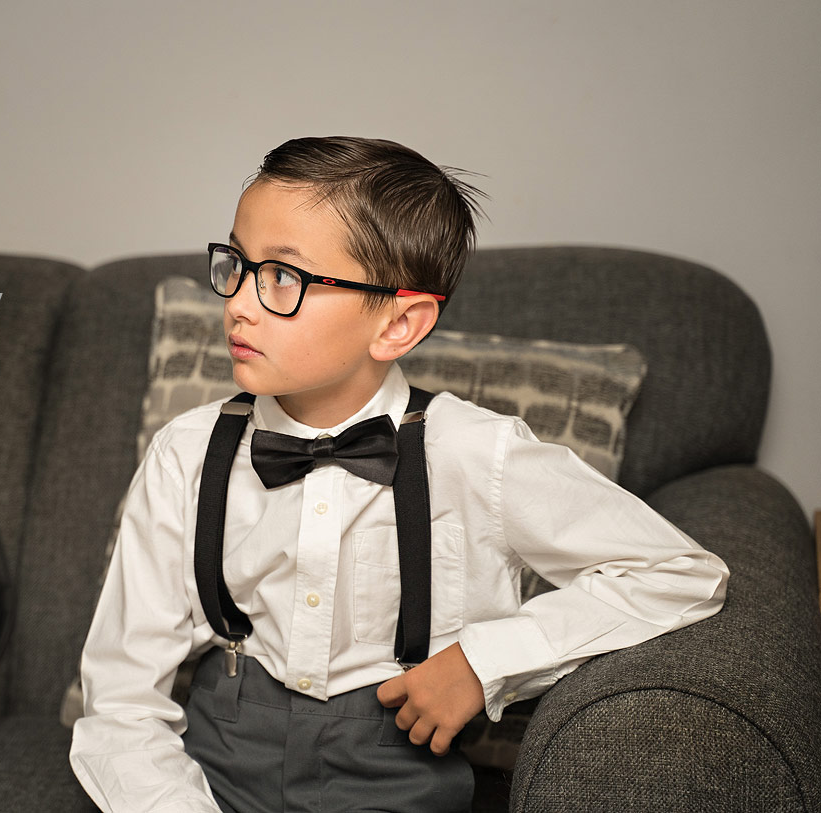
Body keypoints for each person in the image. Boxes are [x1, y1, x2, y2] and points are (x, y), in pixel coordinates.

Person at [69, 136, 729, 813]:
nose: (238, 301)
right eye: (235, 262)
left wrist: (485, 660)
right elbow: (120, 701)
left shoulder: (477, 453)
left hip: (398, 778)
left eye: (282, 278)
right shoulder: (187, 453)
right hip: (212, 777)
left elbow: (680, 572)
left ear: (400, 323)